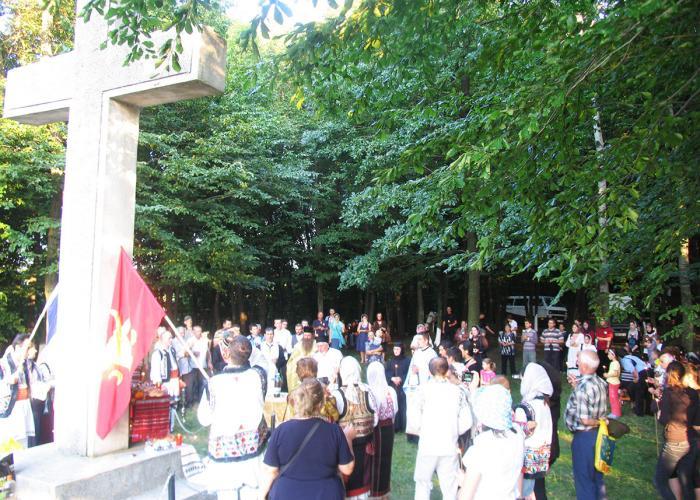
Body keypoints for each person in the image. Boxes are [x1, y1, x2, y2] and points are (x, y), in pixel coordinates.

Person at [197, 335, 268, 499]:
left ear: (226, 354)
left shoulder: (214, 382)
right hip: (252, 456)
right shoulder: (259, 375)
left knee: (227, 495)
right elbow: (261, 359)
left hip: (226, 457)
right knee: (253, 494)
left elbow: (204, 418)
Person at [259, 378, 354, 500]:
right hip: (326, 494)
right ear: (321, 404)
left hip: (287, 494)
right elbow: (347, 469)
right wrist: (348, 438)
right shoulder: (334, 431)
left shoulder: (281, 431)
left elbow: (271, 471)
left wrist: (261, 496)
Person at [414, 357, 472, 500]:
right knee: (449, 488)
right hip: (448, 444)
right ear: (447, 371)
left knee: (423, 484)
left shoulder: (422, 390)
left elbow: (414, 419)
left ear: (429, 371)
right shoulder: (457, 391)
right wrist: (454, 431)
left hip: (428, 444)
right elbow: (467, 421)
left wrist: (422, 431)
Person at [460, 384, 524, 500]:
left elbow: (466, 496)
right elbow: (518, 473)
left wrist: (462, 482)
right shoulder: (517, 434)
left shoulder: (483, 446)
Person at [565, 350, 609, 500]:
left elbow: (585, 419)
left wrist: (599, 421)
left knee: (584, 481)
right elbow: (590, 400)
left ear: (584, 366)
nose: (576, 362)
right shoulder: (600, 382)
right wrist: (576, 387)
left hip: (584, 437)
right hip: (599, 436)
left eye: (578, 360)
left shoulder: (583, 388)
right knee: (597, 477)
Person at [654, 361, 698, 500]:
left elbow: (664, 419)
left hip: (676, 441)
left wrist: (659, 412)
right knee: (686, 479)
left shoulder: (669, 393)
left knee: (660, 480)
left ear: (668, 375)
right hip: (691, 439)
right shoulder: (692, 393)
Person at [335, 357, 378, 499]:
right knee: (362, 487)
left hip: (345, 451)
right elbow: (375, 420)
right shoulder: (369, 391)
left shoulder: (337, 395)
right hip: (365, 448)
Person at [514, 363, 553, 498]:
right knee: (539, 491)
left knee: (525, 493)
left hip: (525, 460)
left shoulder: (525, 407)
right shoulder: (545, 404)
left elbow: (517, 434)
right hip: (541, 458)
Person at [367, 361, 398, 499]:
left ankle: (375, 491)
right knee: (386, 459)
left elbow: (373, 417)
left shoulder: (370, 392)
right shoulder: (390, 390)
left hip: (376, 429)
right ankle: (384, 490)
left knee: (375, 460)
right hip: (389, 428)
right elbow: (395, 410)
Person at [533, 361, 562, 500]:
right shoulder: (552, 398)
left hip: (539, 450)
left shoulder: (540, 403)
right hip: (550, 447)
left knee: (535, 489)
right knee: (537, 487)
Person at [0, 334, 35, 448]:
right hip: (11, 407)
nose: (28, 352)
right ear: (18, 348)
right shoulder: (4, 362)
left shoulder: (25, 363)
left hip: (24, 405)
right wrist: (18, 370)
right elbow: (9, 381)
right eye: (27, 348)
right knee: (9, 442)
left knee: (22, 442)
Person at [404, 332, 437, 442]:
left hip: (425, 385)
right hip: (414, 385)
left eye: (420, 340)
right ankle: (412, 434)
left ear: (426, 341)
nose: (417, 342)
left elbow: (434, 370)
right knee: (412, 411)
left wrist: (420, 370)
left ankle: (422, 434)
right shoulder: (417, 352)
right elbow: (412, 367)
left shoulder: (432, 353)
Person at [385, 343, 410, 433]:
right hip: (393, 387)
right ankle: (396, 426)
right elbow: (386, 372)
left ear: (401, 350)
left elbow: (409, 373)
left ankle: (403, 425)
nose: (396, 351)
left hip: (403, 388)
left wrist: (401, 378)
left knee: (403, 406)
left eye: (398, 349)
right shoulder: (390, 361)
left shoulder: (408, 361)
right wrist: (392, 378)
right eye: (394, 349)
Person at [620, 348, 648, 417]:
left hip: (641, 373)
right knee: (632, 388)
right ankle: (643, 409)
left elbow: (634, 371)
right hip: (646, 371)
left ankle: (639, 412)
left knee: (638, 392)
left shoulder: (624, 360)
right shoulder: (630, 357)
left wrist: (637, 378)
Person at [604, 349, 622, 417]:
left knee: (614, 398)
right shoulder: (612, 363)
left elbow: (615, 373)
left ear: (613, 355)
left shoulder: (616, 363)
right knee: (612, 398)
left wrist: (607, 375)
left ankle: (616, 413)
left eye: (609, 354)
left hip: (614, 383)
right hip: (611, 382)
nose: (608, 355)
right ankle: (614, 412)